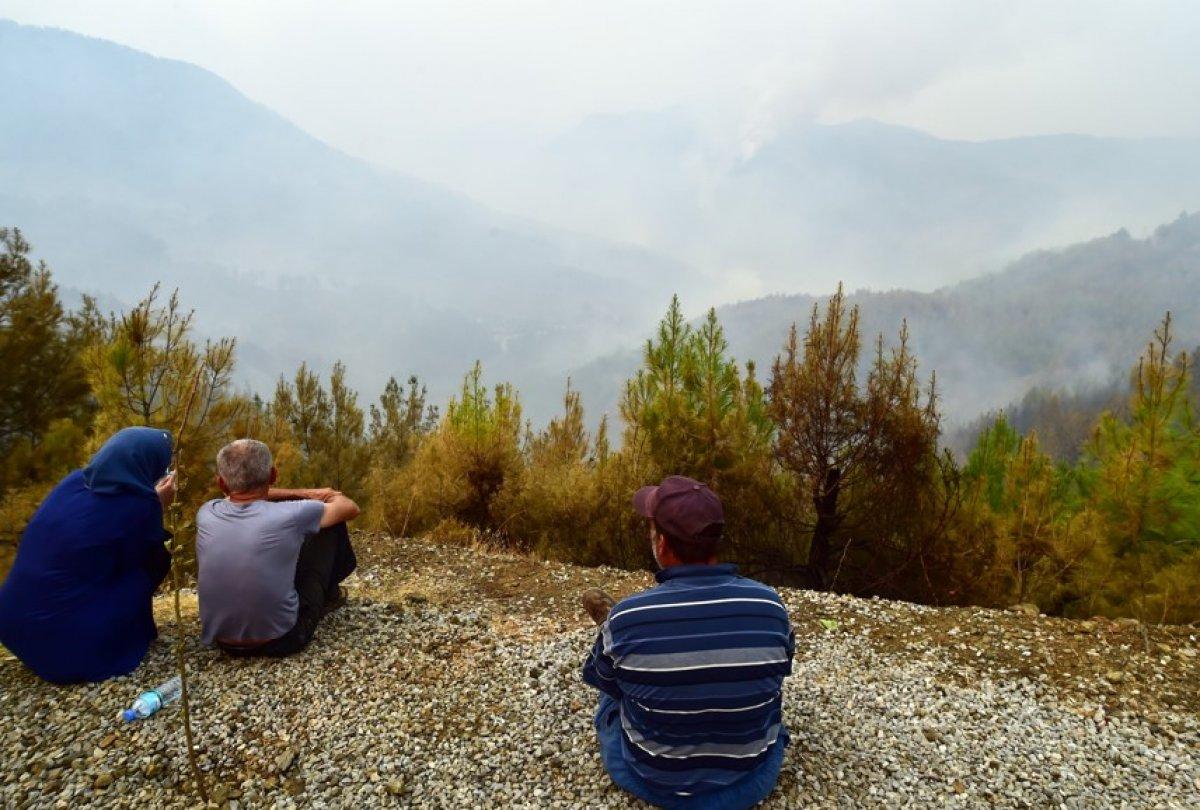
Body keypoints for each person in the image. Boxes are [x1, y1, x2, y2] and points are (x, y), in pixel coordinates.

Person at [581, 475, 794, 809]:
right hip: (750, 778)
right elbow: (782, 670)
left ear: (662, 544)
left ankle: (610, 633)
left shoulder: (629, 615)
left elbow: (610, 686)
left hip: (652, 779)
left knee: (609, 696)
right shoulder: (771, 606)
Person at [0, 427, 176, 684]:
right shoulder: (139, 507)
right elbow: (148, 556)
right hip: (67, 653)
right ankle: (122, 637)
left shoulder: (73, 482)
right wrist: (157, 504)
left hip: (11, 624)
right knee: (154, 562)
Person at [196, 438, 360, 657]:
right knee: (331, 526)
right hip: (283, 639)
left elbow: (233, 497)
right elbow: (349, 507)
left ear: (222, 483)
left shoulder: (207, 512)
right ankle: (329, 596)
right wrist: (313, 493)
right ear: (273, 476)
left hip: (223, 642)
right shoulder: (292, 514)